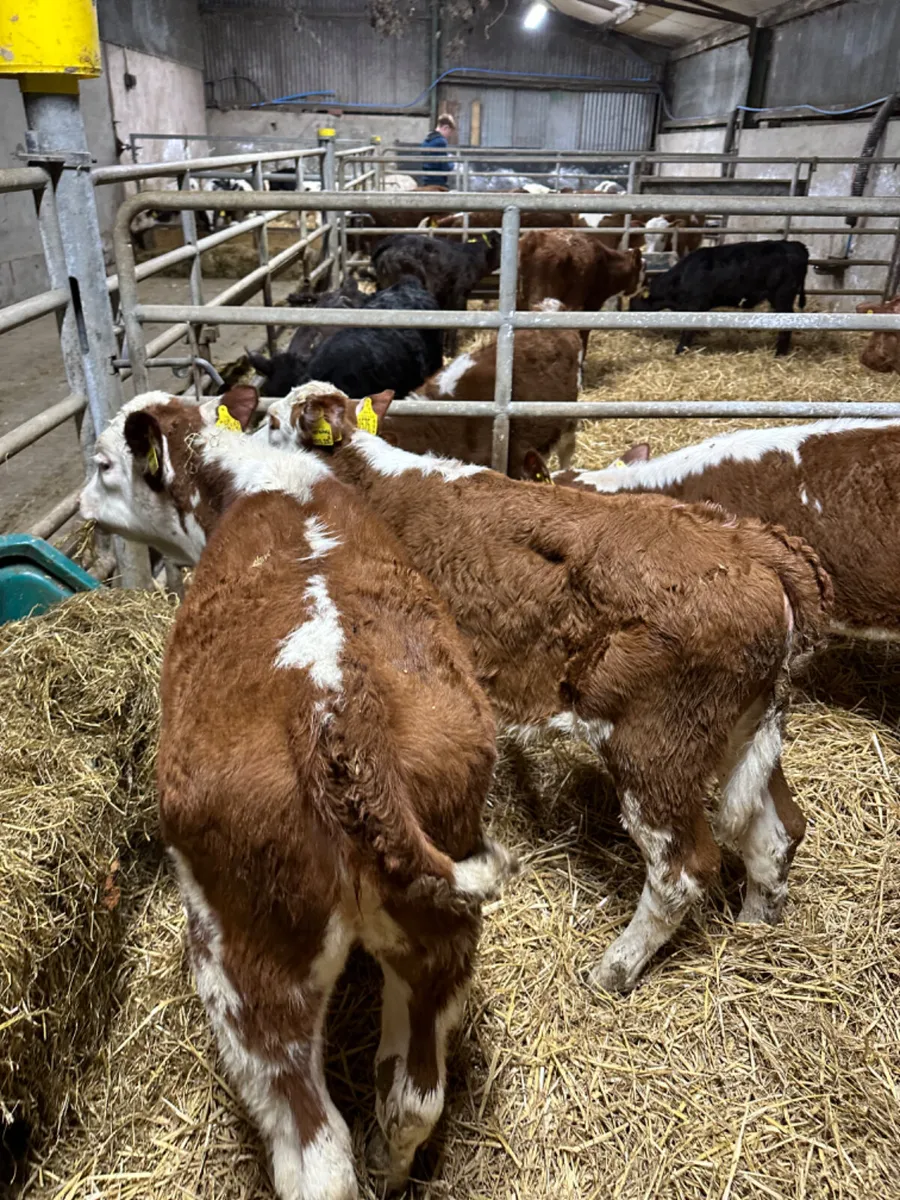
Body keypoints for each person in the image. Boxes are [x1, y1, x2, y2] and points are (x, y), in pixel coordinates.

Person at [419, 114, 456, 189]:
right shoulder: (441, 141)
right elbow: (444, 166)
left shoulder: (426, 140)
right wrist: (452, 163)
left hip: (426, 181)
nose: (449, 135)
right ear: (446, 128)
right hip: (438, 182)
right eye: (449, 132)